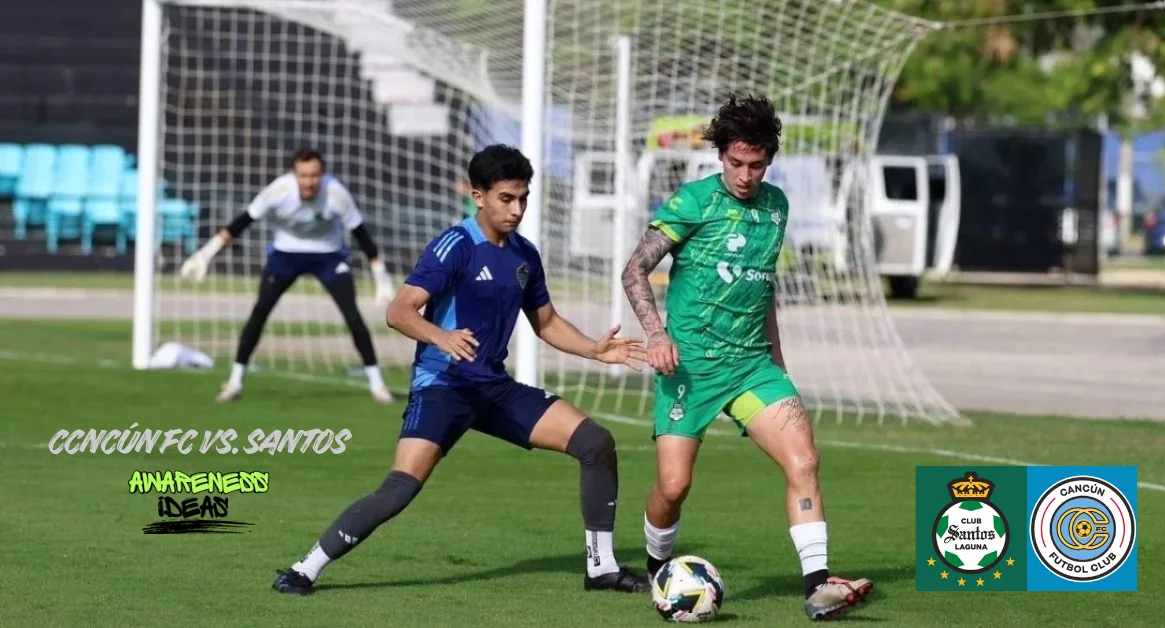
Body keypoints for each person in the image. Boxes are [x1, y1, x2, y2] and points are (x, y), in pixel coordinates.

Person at [271, 144, 652, 596]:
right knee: (399, 489)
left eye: (523, 198)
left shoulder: (524, 255)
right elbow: (399, 311)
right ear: (478, 196)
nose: (517, 209)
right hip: (443, 388)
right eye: (506, 199)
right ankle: (304, 569)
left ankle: (601, 567)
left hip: (493, 388)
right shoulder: (455, 245)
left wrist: (594, 350)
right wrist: (441, 336)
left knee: (596, 443)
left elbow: (546, 322)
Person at [620, 94, 872, 621]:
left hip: (753, 367)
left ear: (769, 161)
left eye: (756, 165)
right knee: (673, 486)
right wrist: (656, 334)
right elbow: (634, 271)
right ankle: (657, 569)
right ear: (721, 157)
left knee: (804, 460)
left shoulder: (776, 207)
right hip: (689, 368)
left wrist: (777, 361)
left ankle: (818, 587)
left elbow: (764, 287)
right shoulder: (694, 202)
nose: (745, 175)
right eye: (736, 163)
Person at [179, 148, 397, 405]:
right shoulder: (278, 192)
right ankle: (235, 382)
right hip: (285, 255)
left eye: (314, 175)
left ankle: (378, 385)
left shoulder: (337, 195)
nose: (309, 182)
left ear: (322, 175)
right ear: (294, 175)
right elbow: (240, 223)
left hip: (329, 256)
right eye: (303, 176)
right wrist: (205, 254)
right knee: (259, 312)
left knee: (352, 316)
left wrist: (382, 280)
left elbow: (363, 237)